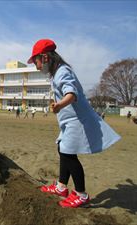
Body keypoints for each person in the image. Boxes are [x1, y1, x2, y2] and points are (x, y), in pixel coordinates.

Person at [28, 39, 121, 208]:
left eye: (36, 62)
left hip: (77, 120)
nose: (36, 66)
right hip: (68, 121)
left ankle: (81, 195)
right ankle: (61, 186)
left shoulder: (62, 71)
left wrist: (59, 105)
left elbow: (72, 94)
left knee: (68, 154)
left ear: (45, 58)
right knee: (62, 148)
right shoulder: (57, 73)